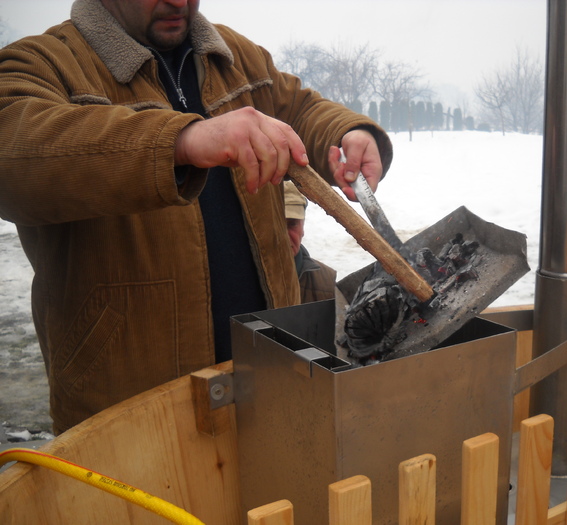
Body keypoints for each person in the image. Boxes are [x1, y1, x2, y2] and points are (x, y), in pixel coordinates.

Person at [0, 0, 392, 434]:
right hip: (132, 415)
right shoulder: (41, 62)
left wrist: (348, 134)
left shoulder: (234, 56)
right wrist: (181, 141)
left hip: (272, 381)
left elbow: (300, 108)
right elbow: (12, 153)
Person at [283, 181, 337, 303]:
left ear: (303, 227)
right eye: (276, 224)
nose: (284, 236)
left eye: (292, 224)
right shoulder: (240, 277)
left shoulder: (328, 283)